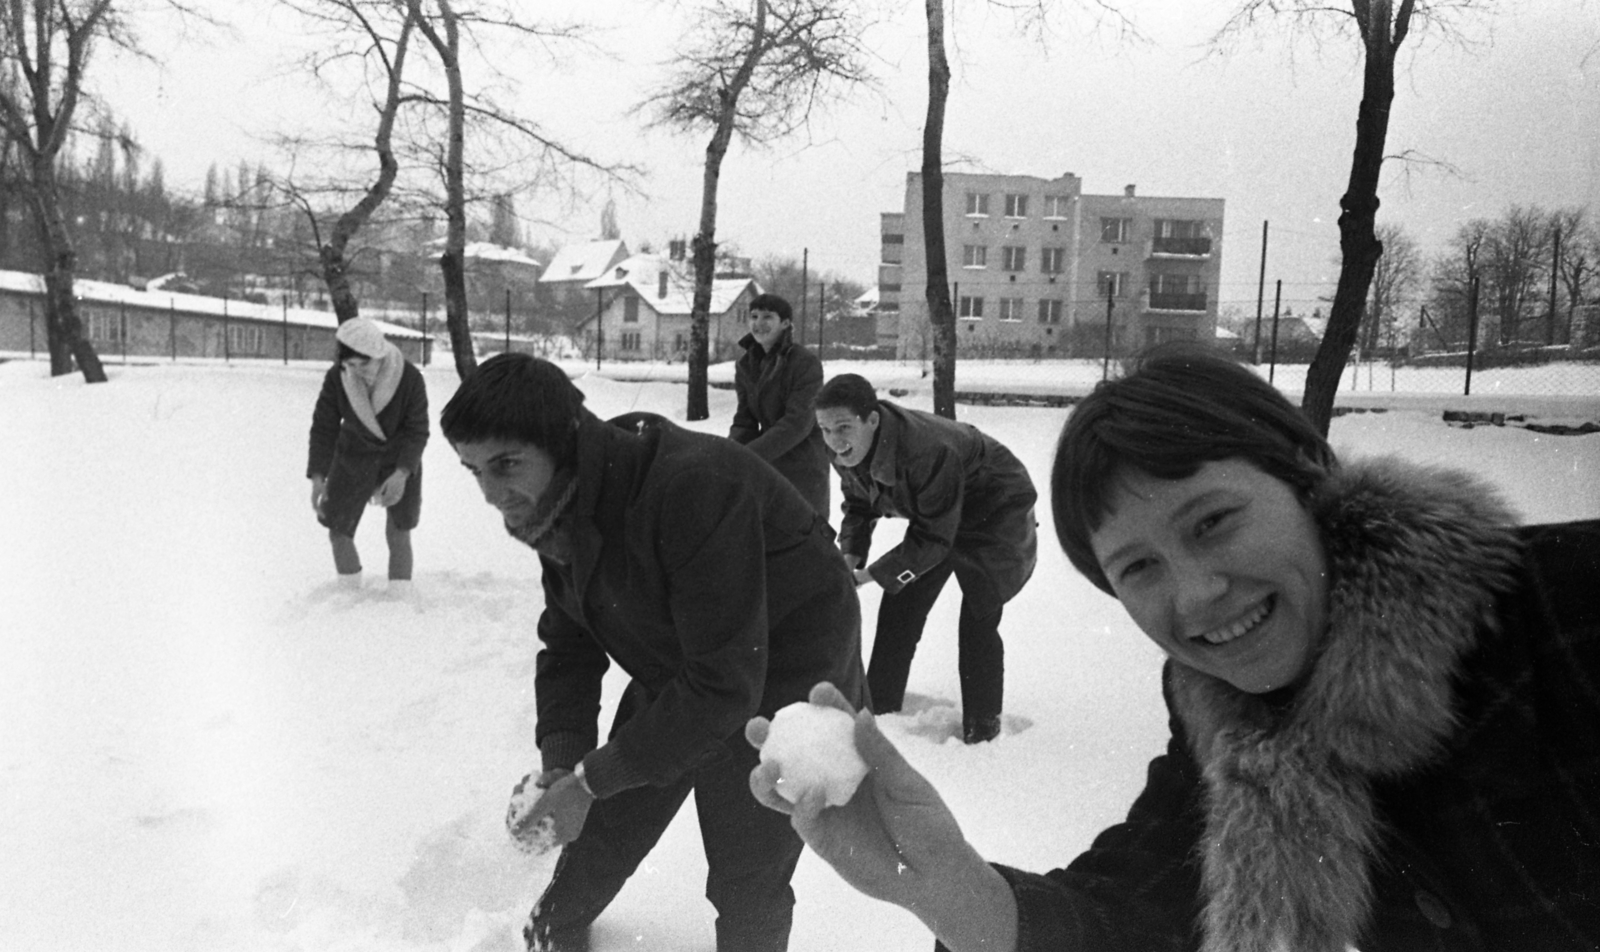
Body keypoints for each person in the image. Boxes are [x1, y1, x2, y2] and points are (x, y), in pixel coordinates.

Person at [749, 343, 1600, 952]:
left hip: (986, 520)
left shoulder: (1564, 612)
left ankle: (981, 717)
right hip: (940, 530)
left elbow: (936, 534)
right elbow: (1143, 903)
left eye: (1214, 521)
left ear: (1307, 479)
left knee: (975, 611)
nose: (1193, 596)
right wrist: (950, 888)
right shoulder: (1217, 710)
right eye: (1138, 567)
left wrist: (883, 574)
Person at [439, 353, 867, 952]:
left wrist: (589, 783)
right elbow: (568, 642)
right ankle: (552, 934)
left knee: (747, 864)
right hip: (689, 660)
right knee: (609, 820)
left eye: (505, 464)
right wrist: (567, 765)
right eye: (473, 470)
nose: (491, 493)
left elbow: (725, 687)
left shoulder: (693, 487)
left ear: (563, 439)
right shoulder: (556, 505)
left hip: (786, 669)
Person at [813, 373, 1038, 744]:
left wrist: (867, 575)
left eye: (842, 427)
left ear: (872, 419)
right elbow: (857, 502)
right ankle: (880, 711)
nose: (834, 441)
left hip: (994, 507)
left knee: (978, 615)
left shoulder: (927, 449)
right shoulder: (844, 449)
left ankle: (983, 733)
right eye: (824, 429)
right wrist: (848, 558)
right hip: (938, 511)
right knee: (901, 603)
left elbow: (935, 538)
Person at [306, 316, 428, 590]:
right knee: (337, 528)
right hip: (353, 458)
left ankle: (400, 598)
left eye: (365, 364)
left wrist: (402, 474)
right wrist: (317, 476)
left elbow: (417, 431)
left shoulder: (409, 378)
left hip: (399, 461)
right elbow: (324, 428)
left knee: (399, 531)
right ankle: (348, 594)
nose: (357, 371)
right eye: (350, 365)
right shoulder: (337, 378)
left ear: (379, 355)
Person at [728, 292, 832, 517]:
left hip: (802, 465)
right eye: (754, 317)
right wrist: (731, 454)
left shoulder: (805, 363)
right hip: (766, 465)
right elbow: (744, 419)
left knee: (807, 538)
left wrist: (748, 456)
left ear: (785, 323)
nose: (758, 324)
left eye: (767, 317)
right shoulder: (746, 364)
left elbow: (798, 424)